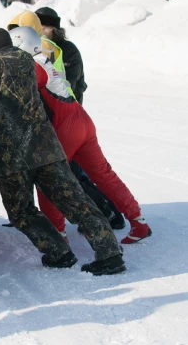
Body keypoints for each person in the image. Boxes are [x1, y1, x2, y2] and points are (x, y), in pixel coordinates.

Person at [0, 28, 126, 274]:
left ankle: (59, 253)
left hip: (12, 157)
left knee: (21, 211)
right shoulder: (26, 61)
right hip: (45, 149)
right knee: (77, 202)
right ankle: (110, 254)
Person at [8, 25, 151, 246]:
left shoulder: (33, 66)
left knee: (48, 180)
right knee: (103, 174)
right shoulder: (44, 59)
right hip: (81, 119)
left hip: (65, 127)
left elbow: (8, 82)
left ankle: (58, 233)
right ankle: (138, 220)